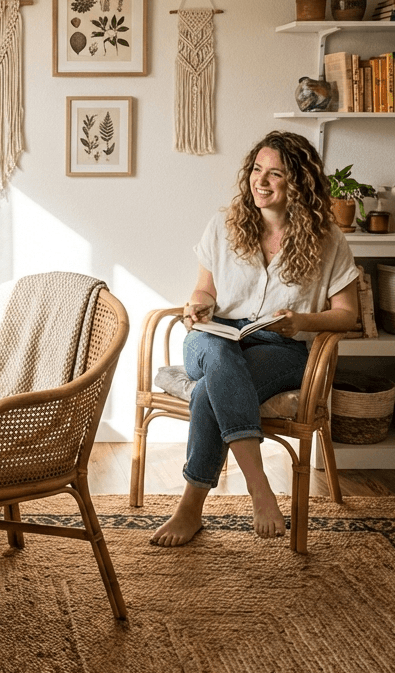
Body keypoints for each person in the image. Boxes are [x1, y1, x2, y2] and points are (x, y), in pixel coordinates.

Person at [151, 130, 359, 546]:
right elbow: (204, 290)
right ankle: (259, 487)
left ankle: (190, 511)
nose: (260, 181)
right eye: (257, 170)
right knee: (218, 356)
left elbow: (347, 315)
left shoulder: (327, 240)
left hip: (279, 345)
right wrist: (198, 306)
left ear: (298, 182)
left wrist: (300, 319)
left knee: (210, 391)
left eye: (275, 174)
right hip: (213, 338)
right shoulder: (225, 225)